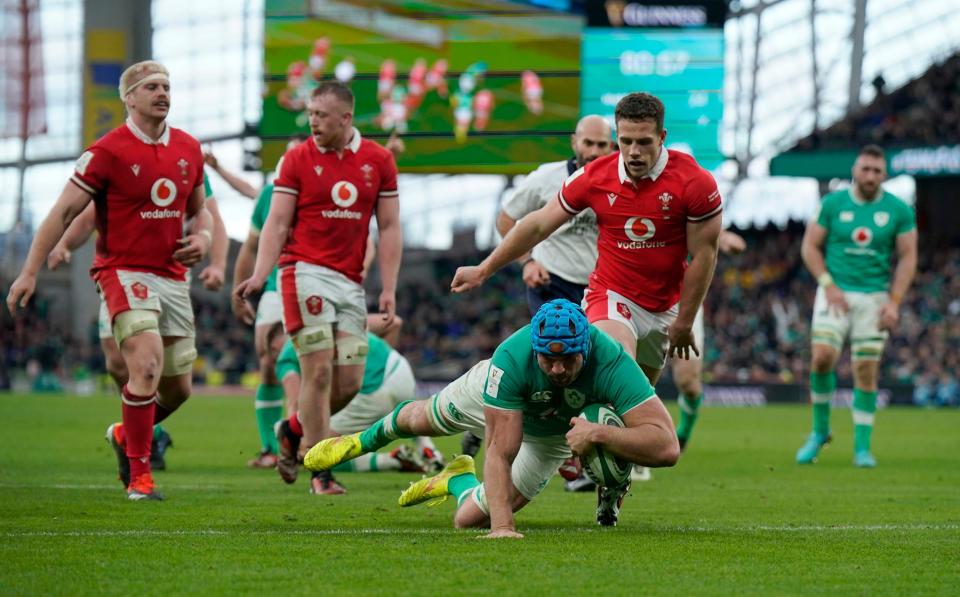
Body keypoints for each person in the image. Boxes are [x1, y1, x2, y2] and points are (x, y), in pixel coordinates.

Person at [452, 93, 722, 498]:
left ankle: (609, 491)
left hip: (666, 308)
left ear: (662, 137)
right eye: (626, 140)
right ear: (618, 137)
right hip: (613, 296)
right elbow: (537, 224)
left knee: (635, 409)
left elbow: (705, 254)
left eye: (644, 142)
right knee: (614, 366)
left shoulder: (695, 182)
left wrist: (684, 321)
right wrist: (485, 268)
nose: (633, 151)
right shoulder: (595, 176)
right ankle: (567, 457)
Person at [6, 60, 213, 500]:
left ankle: (125, 433)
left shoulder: (189, 149)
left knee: (178, 389)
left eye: (166, 86)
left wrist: (205, 236)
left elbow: (201, 210)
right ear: (129, 98)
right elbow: (63, 213)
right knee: (147, 366)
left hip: (173, 277)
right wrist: (29, 271)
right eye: (152, 87)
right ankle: (139, 477)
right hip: (123, 271)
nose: (162, 93)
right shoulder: (107, 152)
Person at [303, 300, 679, 535]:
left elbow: (666, 446)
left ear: (586, 349)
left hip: (552, 436)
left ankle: (456, 480)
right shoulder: (512, 359)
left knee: (465, 520)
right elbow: (500, 451)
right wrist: (504, 529)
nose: (560, 369)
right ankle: (358, 442)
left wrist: (599, 434)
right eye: (550, 360)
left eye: (570, 360)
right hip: (497, 402)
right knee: (420, 420)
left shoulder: (611, 360)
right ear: (535, 351)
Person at [234, 81, 402, 495]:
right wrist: (259, 275)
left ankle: (291, 431)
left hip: (350, 286)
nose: (312, 121)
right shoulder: (296, 159)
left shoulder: (378, 161)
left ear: (346, 118)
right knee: (319, 370)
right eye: (309, 113)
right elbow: (275, 224)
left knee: (349, 380)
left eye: (321, 115)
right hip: (302, 275)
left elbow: (391, 226)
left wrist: (389, 287)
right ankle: (321, 471)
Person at [462, 115, 614, 491]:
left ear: (612, 147)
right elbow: (507, 219)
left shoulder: (617, 181)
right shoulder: (546, 178)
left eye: (602, 145)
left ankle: (573, 456)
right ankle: (493, 429)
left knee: (586, 371)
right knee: (546, 368)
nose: (594, 151)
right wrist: (527, 261)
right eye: (588, 143)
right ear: (573, 141)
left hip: (596, 288)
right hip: (552, 283)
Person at [47, 173, 228, 471]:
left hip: (171, 277)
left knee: (167, 380)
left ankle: (135, 436)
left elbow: (210, 217)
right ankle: (147, 440)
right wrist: (63, 244)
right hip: (123, 272)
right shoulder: (120, 158)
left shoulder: (185, 161)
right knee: (121, 365)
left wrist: (218, 264)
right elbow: (88, 216)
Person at [796, 145, 917, 467]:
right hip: (835, 291)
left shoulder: (899, 209)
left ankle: (862, 449)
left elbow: (908, 257)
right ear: (855, 170)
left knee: (866, 370)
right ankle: (820, 432)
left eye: (877, 171)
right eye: (865, 169)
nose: (870, 176)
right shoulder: (833, 203)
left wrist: (894, 302)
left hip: (874, 297)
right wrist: (828, 285)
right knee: (822, 357)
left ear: (885, 174)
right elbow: (810, 247)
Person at [268, 325, 444, 474]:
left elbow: (295, 404)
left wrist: (291, 441)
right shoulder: (331, 324)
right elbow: (394, 323)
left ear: (274, 346)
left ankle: (393, 460)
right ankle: (427, 448)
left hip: (375, 387)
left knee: (312, 454)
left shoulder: (286, 355)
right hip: (400, 369)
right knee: (402, 413)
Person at [231, 136, 308, 469]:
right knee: (269, 365)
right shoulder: (269, 195)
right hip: (277, 289)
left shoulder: (329, 189)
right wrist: (241, 289)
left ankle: (311, 441)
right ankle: (270, 448)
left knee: (327, 366)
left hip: (325, 289)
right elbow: (250, 246)